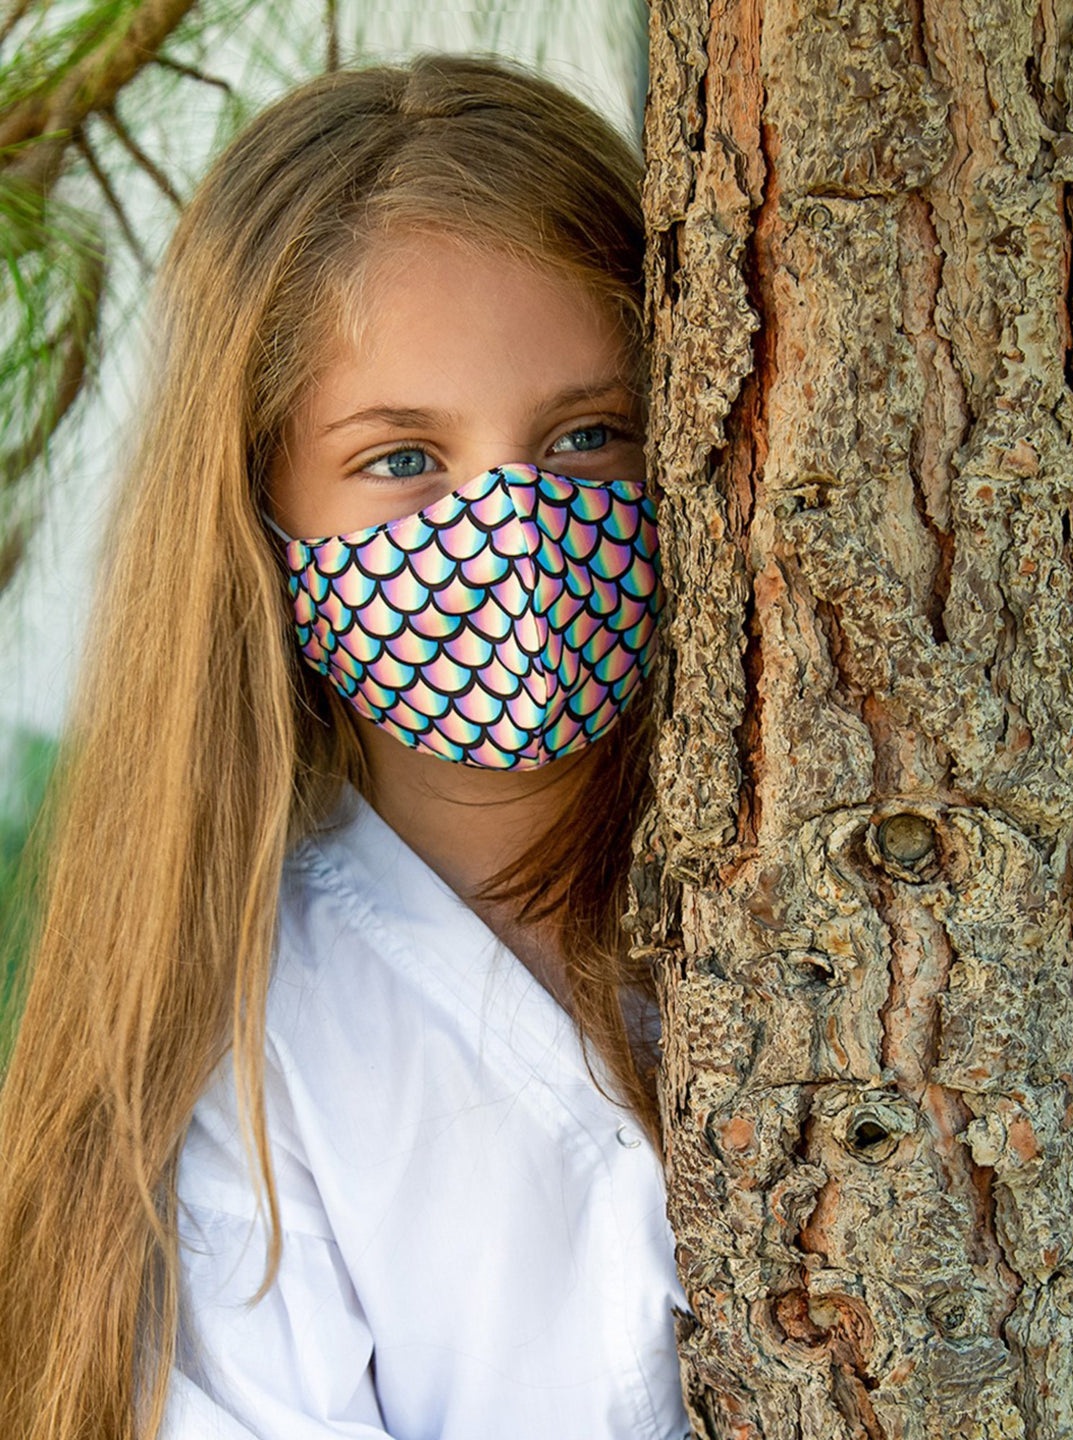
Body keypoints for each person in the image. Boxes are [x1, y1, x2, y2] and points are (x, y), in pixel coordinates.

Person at [0, 55, 687, 1440]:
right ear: (258, 506)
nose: (513, 533)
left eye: (588, 436)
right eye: (402, 460)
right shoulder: (236, 1051)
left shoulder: (831, 872)